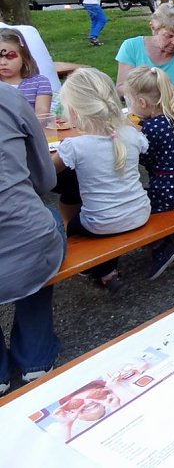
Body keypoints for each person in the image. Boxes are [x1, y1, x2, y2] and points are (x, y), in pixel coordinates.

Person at [52, 68, 150, 293]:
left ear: (74, 113)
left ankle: (104, 271)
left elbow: (48, 175)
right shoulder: (131, 134)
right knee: (103, 214)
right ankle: (107, 269)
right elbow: (143, 146)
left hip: (100, 224)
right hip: (140, 212)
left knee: (72, 224)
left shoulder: (74, 146)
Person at [0, 85, 65, 397]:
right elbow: (45, 180)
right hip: (26, 242)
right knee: (43, 222)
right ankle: (35, 357)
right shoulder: (8, 98)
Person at [124, 66, 174, 280]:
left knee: (132, 203)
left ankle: (161, 246)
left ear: (142, 103)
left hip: (170, 193)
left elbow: (141, 159)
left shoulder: (150, 129)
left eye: (129, 102)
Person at [115, 4, 174, 98]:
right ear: (154, 29)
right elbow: (120, 89)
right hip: (145, 107)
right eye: (169, 36)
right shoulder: (131, 46)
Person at [0, 28, 52, 114]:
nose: (3, 63)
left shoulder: (40, 83)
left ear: (24, 57)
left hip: (31, 127)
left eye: (10, 56)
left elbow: (42, 114)